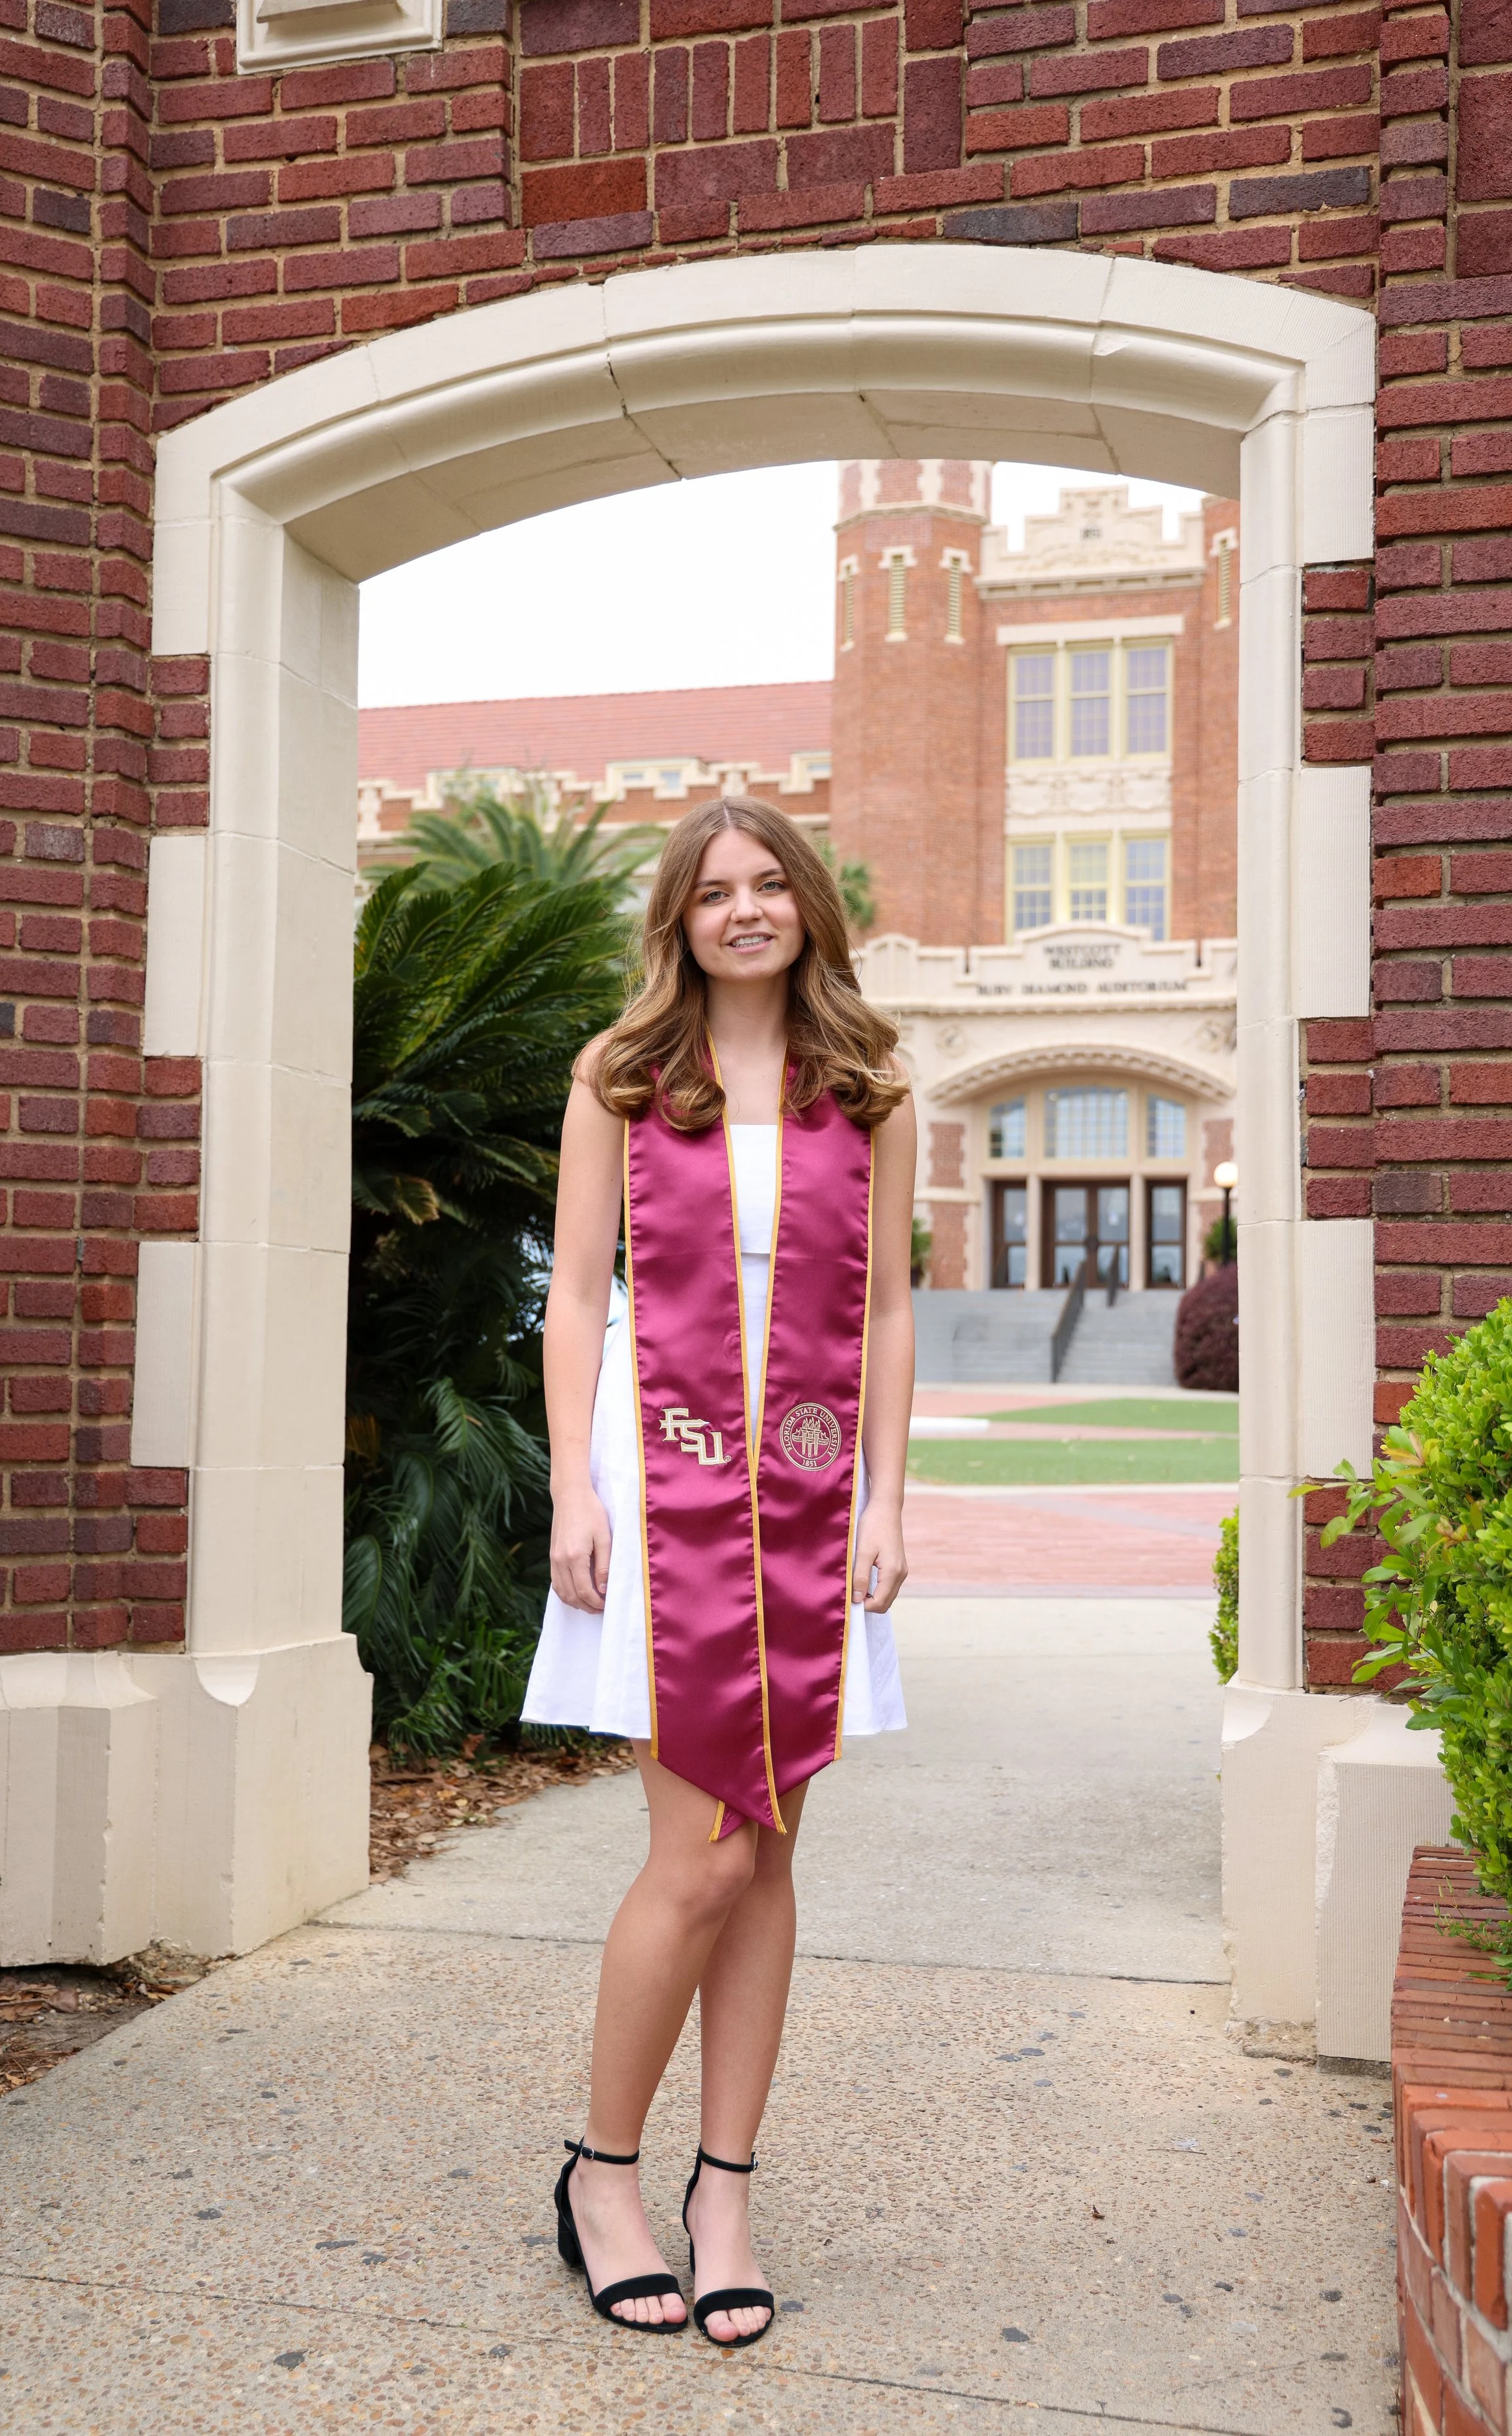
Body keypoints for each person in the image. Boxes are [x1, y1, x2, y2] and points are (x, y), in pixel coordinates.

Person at [524, 794, 916, 2346]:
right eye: (711, 892)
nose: (742, 909)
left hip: (813, 1495)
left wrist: (890, 1497)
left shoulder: (868, 1086)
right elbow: (572, 1300)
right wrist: (572, 1483)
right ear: (676, 920)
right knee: (696, 1855)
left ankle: (724, 2192)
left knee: (764, 1853)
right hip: (664, 1483)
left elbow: (885, 1309)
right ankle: (603, 2175)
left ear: (808, 904)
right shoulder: (621, 1079)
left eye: (767, 884)